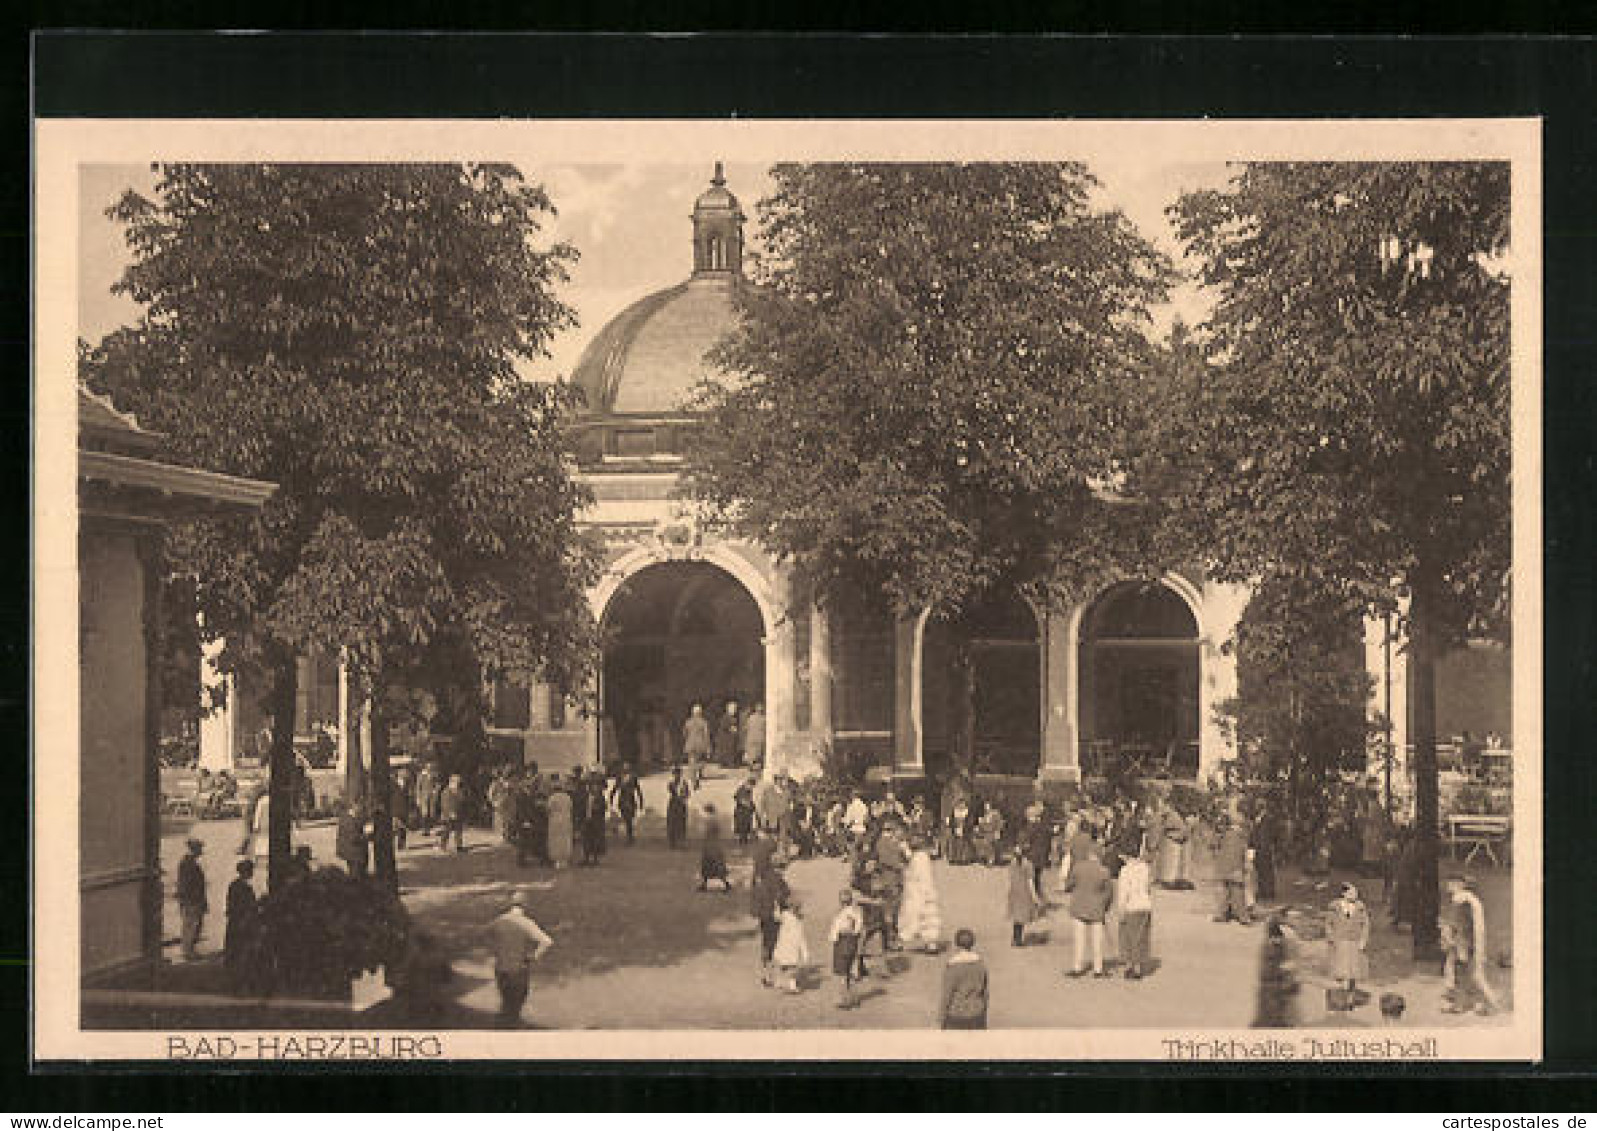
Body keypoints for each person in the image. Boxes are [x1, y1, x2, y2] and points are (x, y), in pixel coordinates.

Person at [485, 891, 553, 1027]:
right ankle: (512, 1028)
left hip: (501, 968)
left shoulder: (498, 921)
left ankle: (503, 1027)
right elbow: (547, 941)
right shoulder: (527, 923)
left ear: (510, 904)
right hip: (518, 969)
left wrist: (497, 950)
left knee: (506, 1001)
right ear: (525, 905)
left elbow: (487, 936)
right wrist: (534, 956)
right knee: (516, 1004)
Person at [1442, 874, 1500, 1015]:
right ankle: (1460, 1004)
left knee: (1475, 976)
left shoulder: (1462, 901)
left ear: (1461, 885)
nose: (1448, 885)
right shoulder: (1470, 900)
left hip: (1466, 943)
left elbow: (1463, 926)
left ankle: (1492, 1004)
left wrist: (1457, 945)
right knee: (1463, 974)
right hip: (1472, 942)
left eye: (1452, 883)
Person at [1064, 843, 1113, 978]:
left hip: (1078, 907)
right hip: (1097, 909)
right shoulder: (1104, 871)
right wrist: (1105, 907)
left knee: (1079, 939)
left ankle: (1077, 968)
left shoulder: (1078, 867)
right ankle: (1098, 969)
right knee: (1097, 941)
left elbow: (1068, 885)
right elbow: (1109, 893)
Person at [750, 837, 790, 988]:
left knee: (767, 942)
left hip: (764, 913)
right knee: (775, 942)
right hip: (774, 913)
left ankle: (766, 972)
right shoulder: (773, 877)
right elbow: (781, 895)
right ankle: (773, 974)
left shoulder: (759, 876)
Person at [1326, 882, 1371, 1010]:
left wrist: (1363, 941)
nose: (1354, 895)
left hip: (1354, 942)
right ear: (1344, 893)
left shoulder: (1360, 907)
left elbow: (1366, 925)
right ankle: (1336, 997)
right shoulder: (1334, 906)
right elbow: (1328, 924)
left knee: (1353, 971)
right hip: (1339, 942)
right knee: (1339, 970)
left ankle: (1350, 997)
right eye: (1351, 893)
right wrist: (1332, 939)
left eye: (1356, 893)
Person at [898, 838, 944, 953]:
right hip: (920, 890)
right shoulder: (919, 856)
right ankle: (930, 943)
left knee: (919, 915)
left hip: (920, 891)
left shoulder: (920, 857)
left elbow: (920, 876)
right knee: (923, 916)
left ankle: (929, 943)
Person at [940, 928, 989, 1030]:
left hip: (956, 1015)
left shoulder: (953, 967)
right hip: (977, 1013)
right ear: (972, 943)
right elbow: (985, 993)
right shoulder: (980, 964)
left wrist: (941, 1017)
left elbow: (947, 995)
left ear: (956, 943)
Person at [1117, 846, 1154, 979]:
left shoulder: (1125, 870)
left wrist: (1120, 910)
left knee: (1128, 938)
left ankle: (1129, 966)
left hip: (1131, 907)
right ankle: (1138, 967)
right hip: (1145, 906)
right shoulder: (1145, 868)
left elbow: (1123, 892)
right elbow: (1148, 887)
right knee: (1141, 938)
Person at [828, 888, 866, 1009]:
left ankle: (845, 999)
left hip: (842, 942)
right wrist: (854, 932)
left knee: (842, 973)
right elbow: (859, 927)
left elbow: (835, 929)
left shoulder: (842, 913)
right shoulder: (856, 912)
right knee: (849, 971)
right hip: (851, 942)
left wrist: (834, 937)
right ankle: (852, 998)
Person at [223, 859, 258, 991]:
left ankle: (237, 981)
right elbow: (243, 906)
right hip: (241, 923)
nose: (251, 873)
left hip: (235, 922)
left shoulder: (235, 885)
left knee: (237, 953)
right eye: (250, 870)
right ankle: (239, 982)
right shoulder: (242, 888)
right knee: (241, 953)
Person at [1213, 817, 1253, 925]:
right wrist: (1248, 864)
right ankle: (1243, 917)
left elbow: (1215, 847)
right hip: (1236, 868)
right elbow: (1247, 851)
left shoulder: (1224, 835)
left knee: (1224, 891)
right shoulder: (1242, 836)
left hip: (1224, 868)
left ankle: (1221, 914)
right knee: (1238, 892)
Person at [175, 838, 208, 960]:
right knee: (191, 925)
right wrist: (191, 900)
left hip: (192, 900)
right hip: (191, 901)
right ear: (195, 849)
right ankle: (188, 952)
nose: (201, 851)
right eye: (200, 848)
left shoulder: (189, 863)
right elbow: (187, 885)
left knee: (193, 925)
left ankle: (189, 950)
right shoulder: (188, 864)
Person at [772, 898, 809, 994]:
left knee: (786, 966)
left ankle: (786, 984)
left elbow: (776, 917)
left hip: (786, 945)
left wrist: (776, 907)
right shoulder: (792, 917)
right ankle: (786, 983)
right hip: (789, 945)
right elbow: (801, 936)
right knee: (788, 966)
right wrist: (804, 951)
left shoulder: (787, 916)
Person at [1006, 850, 1040, 947]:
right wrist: (1034, 897)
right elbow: (1030, 882)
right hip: (1024, 893)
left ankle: (1015, 938)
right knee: (1021, 917)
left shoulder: (1012, 864)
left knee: (1017, 917)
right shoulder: (1028, 865)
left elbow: (1011, 878)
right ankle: (1018, 940)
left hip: (1014, 891)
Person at [699, 804, 731, 891]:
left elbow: (706, 832)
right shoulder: (714, 819)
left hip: (711, 846)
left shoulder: (710, 820)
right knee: (714, 865)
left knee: (711, 865)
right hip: (714, 845)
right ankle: (705, 884)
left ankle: (726, 884)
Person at [609, 765, 644, 845]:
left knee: (629, 819)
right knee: (626, 818)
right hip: (622, 801)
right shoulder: (619, 778)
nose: (625, 771)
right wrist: (611, 798)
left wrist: (641, 802)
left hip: (631, 800)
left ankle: (630, 837)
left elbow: (638, 790)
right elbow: (615, 789)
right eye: (624, 769)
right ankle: (630, 836)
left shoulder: (633, 777)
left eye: (627, 769)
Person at [579, 772, 608, 866]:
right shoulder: (585, 796)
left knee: (596, 839)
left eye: (595, 786)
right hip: (587, 820)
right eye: (590, 786)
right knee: (586, 839)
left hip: (596, 821)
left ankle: (595, 859)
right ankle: (586, 858)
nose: (593, 788)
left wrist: (597, 808)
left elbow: (603, 808)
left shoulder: (600, 798)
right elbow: (581, 807)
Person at [545, 775, 574, 868]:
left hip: (555, 820)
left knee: (556, 839)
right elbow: (571, 808)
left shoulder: (552, 798)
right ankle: (565, 859)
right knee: (565, 838)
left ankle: (557, 860)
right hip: (566, 819)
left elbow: (548, 809)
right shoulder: (567, 797)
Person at [336, 802, 369, 879]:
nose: (361, 810)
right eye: (360, 808)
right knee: (357, 875)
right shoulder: (349, 821)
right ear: (354, 807)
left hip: (350, 852)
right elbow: (354, 838)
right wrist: (366, 835)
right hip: (354, 853)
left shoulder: (346, 817)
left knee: (354, 872)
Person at [682, 704, 711, 786]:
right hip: (700, 745)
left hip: (690, 744)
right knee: (700, 761)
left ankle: (693, 777)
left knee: (692, 761)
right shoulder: (703, 722)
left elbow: (684, 733)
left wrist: (688, 739)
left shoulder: (688, 722)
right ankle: (697, 774)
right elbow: (706, 735)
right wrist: (708, 746)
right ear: (700, 713)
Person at [437, 774, 466, 853]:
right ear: (451, 782)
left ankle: (459, 846)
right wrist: (450, 813)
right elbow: (444, 804)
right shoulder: (446, 791)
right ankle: (442, 846)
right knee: (446, 831)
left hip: (459, 813)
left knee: (459, 831)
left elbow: (462, 801)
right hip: (448, 815)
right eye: (456, 782)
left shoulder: (460, 791)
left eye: (459, 782)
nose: (458, 784)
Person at [665, 765, 692, 849]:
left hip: (681, 804)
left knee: (681, 823)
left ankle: (681, 843)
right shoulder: (671, 783)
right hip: (673, 804)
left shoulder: (684, 783)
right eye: (675, 774)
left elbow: (688, 793)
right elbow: (671, 790)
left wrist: (684, 797)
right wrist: (678, 793)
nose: (676, 775)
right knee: (671, 822)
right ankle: (672, 842)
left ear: (680, 774)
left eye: (678, 774)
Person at [713, 700, 741, 769]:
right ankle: (726, 763)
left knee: (731, 749)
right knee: (726, 750)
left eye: (735, 709)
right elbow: (724, 726)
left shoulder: (734, 718)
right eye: (733, 709)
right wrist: (731, 728)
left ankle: (730, 762)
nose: (734, 710)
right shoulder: (725, 717)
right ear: (728, 709)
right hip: (726, 738)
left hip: (731, 737)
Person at [732, 775, 757, 845]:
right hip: (741, 812)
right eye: (751, 786)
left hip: (746, 813)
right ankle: (741, 842)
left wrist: (752, 807)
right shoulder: (741, 789)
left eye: (752, 786)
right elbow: (740, 800)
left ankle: (744, 841)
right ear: (748, 783)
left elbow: (749, 801)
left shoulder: (748, 791)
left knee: (746, 829)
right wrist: (750, 806)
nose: (751, 788)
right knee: (741, 828)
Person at [742, 702, 766, 769]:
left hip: (751, 737)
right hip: (759, 738)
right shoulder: (764, 719)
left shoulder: (750, 718)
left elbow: (746, 727)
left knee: (752, 752)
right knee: (758, 753)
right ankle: (755, 765)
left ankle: (751, 765)